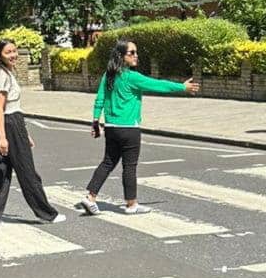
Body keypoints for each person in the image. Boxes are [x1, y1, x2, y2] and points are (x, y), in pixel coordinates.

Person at [80, 38, 197, 216]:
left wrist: (95, 121)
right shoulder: (131, 77)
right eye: (132, 53)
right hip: (129, 129)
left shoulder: (108, 75)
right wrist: (182, 87)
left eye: (136, 52)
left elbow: (100, 99)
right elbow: (158, 85)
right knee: (129, 166)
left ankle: (90, 197)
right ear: (121, 56)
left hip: (111, 127)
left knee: (108, 163)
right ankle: (131, 204)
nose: (136, 56)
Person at [0, 39, 63, 230]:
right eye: (8, 52)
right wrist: (2, 137)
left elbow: (14, 107)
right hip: (9, 125)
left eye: (14, 51)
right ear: (0, 55)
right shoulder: (3, 75)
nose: (13, 55)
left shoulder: (6, 72)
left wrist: (24, 133)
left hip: (13, 124)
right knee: (27, 171)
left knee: (0, 173)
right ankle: (47, 213)